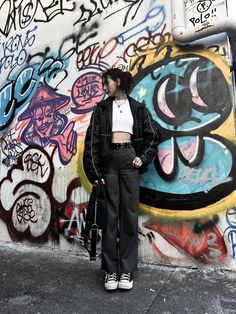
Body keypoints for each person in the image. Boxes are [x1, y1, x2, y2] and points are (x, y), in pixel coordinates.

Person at [83, 68, 159, 291]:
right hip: (108, 162)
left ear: (118, 81)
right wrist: (95, 173)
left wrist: (142, 158)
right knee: (110, 216)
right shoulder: (101, 109)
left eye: (106, 82)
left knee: (128, 215)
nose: (104, 86)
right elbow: (92, 141)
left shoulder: (137, 107)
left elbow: (153, 135)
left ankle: (125, 271)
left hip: (128, 159)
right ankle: (110, 272)